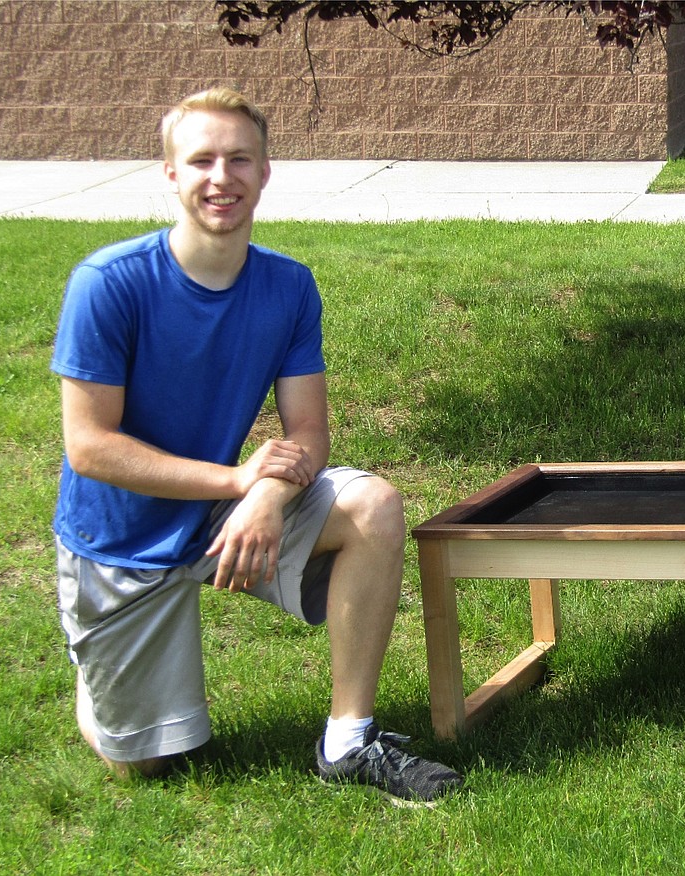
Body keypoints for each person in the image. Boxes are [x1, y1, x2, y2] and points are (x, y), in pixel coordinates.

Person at [50, 86, 461, 805]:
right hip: (122, 539)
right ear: (170, 174)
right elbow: (91, 449)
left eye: (240, 159)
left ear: (265, 172)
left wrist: (266, 494)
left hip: (223, 509)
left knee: (373, 505)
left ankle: (348, 740)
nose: (222, 178)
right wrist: (238, 484)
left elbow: (309, 432)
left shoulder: (288, 286)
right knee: (149, 767)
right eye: (201, 160)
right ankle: (104, 690)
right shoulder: (108, 285)